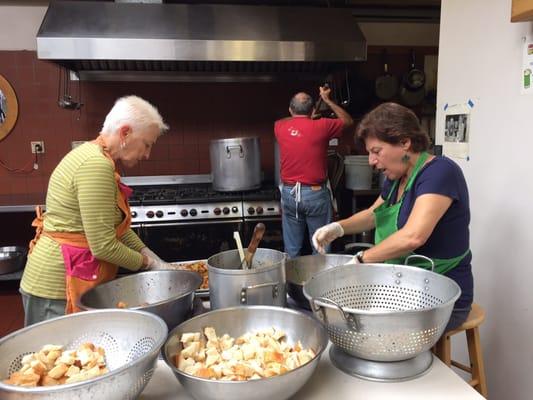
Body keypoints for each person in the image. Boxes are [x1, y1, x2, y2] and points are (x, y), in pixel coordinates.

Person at [312, 102, 473, 331]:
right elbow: (373, 215)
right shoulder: (396, 177)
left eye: (376, 151)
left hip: (441, 299)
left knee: (362, 329)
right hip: (403, 287)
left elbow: (413, 236)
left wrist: (361, 260)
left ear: (405, 142)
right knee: (341, 316)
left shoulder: (440, 173)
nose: (371, 161)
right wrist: (337, 227)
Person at [20, 95, 171, 326]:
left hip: (67, 280)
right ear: (125, 133)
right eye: (147, 144)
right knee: (57, 358)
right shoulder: (95, 165)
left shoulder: (97, 158)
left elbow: (114, 229)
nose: (147, 154)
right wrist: (149, 265)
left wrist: (151, 255)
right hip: (55, 289)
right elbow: (103, 246)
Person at [275, 86, 353, 258]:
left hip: (289, 194)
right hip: (315, 194)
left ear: (290, 109)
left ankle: (291, 285)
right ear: (311, 110)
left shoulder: (279, 127)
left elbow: (294, 121)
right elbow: (347, 121)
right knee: (320, 247)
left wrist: (309, 117)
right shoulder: (323, 126)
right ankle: (319, 284)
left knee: (292, 250)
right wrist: (327, 100)